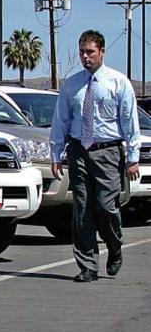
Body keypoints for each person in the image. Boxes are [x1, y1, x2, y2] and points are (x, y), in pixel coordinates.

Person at [50, 29, 141, 282]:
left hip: (108, 151)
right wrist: (56, 154)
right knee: (82, 208)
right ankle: (88, 265)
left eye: (90, 52)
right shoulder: (72, 84)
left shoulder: (118, 82)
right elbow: (61, 121)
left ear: (102, 51)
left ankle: (114, 246)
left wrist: (132, 158)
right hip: (79, 150)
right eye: (82, 52)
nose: (85, 57)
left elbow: (129, 121)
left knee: (106, 206)